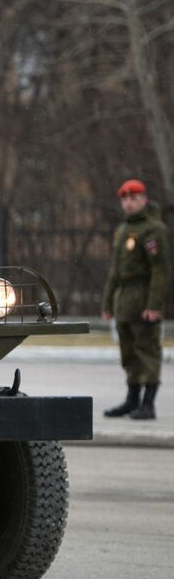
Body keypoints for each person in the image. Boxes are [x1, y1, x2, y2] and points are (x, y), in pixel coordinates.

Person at [101, 178, 169, 420]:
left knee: (147, 350)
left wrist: (153, 305)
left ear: (144, 200)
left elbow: (160, 270)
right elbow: (115, 271)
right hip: (124, 299)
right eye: (125, 198)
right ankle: (132, 400)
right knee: (128, 351)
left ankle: (148, 404)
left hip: (143, 296)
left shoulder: (154, 230)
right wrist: (107, 303)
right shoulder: (122, 230)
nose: (129, 203)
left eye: (134, 198)